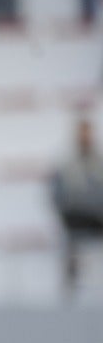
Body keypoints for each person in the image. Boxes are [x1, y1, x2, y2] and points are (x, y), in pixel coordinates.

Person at [49, 112, 103, 297]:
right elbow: (58, 196)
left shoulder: (100, 163)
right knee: (69, 238)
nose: (85, 137)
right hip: (76, 219)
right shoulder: (66, 164)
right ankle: (70, 287)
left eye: (87, 133)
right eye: (82, 133)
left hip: (98, 219)